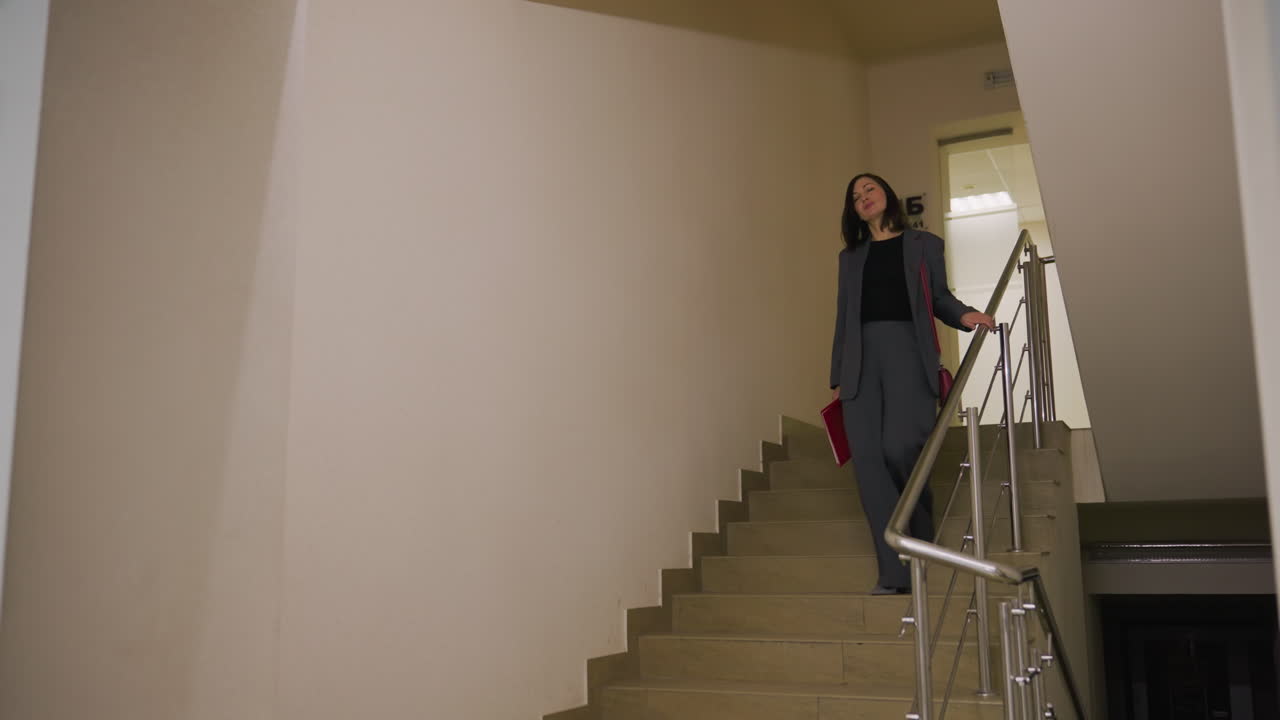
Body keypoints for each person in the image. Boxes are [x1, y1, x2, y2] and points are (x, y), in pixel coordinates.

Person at [829, 173, 995, 594]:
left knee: (901, 446)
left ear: (886, 194)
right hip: (859, 362)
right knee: (869, 466)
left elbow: (938, 297)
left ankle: (919, 522)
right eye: (855, 196)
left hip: (907, 351)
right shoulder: (850, 258)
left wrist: (965, 314)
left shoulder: (924, 245)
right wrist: (838, 375)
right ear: (853, 210)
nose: (863, 197)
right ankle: (894, 574)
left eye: (869, 189)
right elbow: (843, 318)